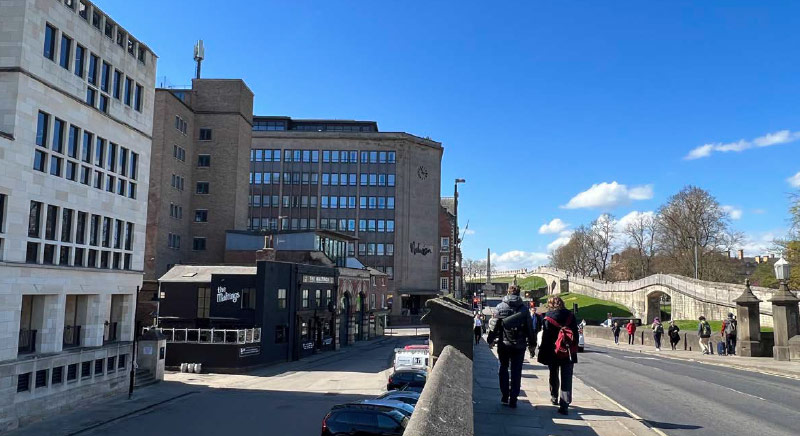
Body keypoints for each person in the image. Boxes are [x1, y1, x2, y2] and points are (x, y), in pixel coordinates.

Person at [486, 285, 537, 408]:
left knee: (503, 369)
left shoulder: (500, 307)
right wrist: (532, 346)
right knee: (516, 371)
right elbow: (530, 329)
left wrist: (490, 340)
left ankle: (504, 396)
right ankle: (513, 398)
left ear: (507, 293)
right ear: (519, 294)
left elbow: (494, 326)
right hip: (519, 345)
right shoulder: (524, 310)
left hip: (504, 343)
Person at [538, 296, 579, 415]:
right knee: (567, 377)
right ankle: (564, 405)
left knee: (553, 374)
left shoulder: (547, 318)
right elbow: (575, 335)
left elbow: (545, 338)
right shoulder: (571, 316)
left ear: (550, 305)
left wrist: (542, 353)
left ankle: (554, 396)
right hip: (568, 351)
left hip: (553, 351)